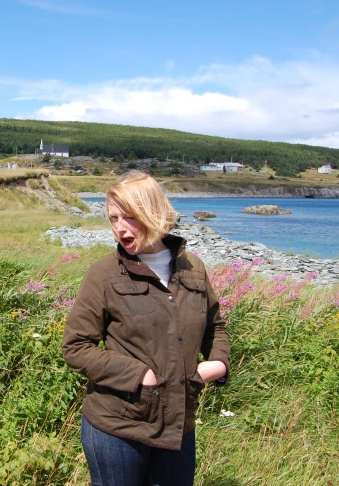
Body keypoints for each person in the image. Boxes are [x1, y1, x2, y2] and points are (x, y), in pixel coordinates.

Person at [62, 171, 230, 486]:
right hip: (118, 430)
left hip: (178, 425)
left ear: (153, 211)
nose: (120, 228)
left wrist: (217, 365)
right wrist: (141, 376)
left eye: (129, 217)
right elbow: (75, 348)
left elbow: (215, 327)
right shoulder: (104, 274)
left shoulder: (193, 268)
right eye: (113, 218)